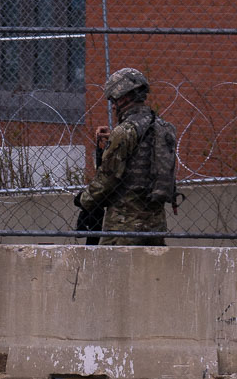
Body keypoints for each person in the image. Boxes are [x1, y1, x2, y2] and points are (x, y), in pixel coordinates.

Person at [74, 67, 178, 246]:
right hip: (155, 224)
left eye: (114, 100)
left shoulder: (125, 132)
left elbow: (107, 177)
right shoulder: (163, 127)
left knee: (113, 273)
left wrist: (84, 200)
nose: (113, 106)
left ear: (125, 97)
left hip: (124, 226)